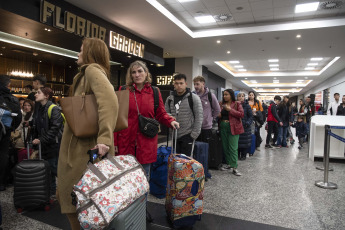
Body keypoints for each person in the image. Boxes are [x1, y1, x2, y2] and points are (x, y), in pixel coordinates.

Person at [57, 38, 118, 230]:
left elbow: (109, 102)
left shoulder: (92, 70)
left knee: (79, 199)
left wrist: (105, 139)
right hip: (80, 146)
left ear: (90, 53)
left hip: (86, 148)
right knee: (77, 198)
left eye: (81, 50)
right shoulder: (84, 75)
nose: (78, 54)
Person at [32, 87, 63, 199]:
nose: (35, 94)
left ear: (46, 96)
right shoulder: (40, 108)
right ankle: (52, 193)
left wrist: (41, 139)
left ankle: (67, 191)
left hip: (53, 145)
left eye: (38, 92)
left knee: (55, 170)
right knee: (49, 170)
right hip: (45, 145)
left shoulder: (53, 109)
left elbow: (55, 128)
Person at [165, 73, 203, 156]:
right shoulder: (170, 99)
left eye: (181, 83)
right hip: (174, 134)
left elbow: (199, 117)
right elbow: (165, 114)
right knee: (176, 161)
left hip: (188, 135)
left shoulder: (193, 98)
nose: (179, 86)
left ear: (186, 84)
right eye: (176, 83)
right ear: (174, 84)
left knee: (186, 162)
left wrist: (193, 135)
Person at [0, 75, 22, 191]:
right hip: (6, 130)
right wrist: (11, 128)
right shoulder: (12, 99)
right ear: (8, 85)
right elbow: (18, 117)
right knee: (3, 155)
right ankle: (2, 182)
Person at [218, 89, 244, 175]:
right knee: (225, 147)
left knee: (233, 148)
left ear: (231, 95)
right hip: (223, 127)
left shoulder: (237, 103)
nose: (225, 96)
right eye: (224, 95)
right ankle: (229, 164)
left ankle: (234, 167)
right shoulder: (221, 103)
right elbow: (219, 115)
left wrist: (230, 110)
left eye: (227, 95)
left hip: (234, 127)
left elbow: (241, 114)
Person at [193, 76, 220, 142]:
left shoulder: (210, 95)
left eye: (197, 84)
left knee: (205, 148)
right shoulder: (192, 95)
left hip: (206, 128)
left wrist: (211, 118)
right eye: (194, 84)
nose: (195, 86)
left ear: (203, 84)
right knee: (194, 149)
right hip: (194, 127)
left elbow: (217, 109)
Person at [237, 92, 252, 160]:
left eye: (242, 96)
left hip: (245, 127)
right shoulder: (235, 105)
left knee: (244, 142)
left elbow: (250, 116)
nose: (241, 97)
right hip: (237, 126)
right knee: (237, 142)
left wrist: (247, 123)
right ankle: (237, 155)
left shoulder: (247, 106)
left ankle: (243, 155)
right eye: (239, 96)